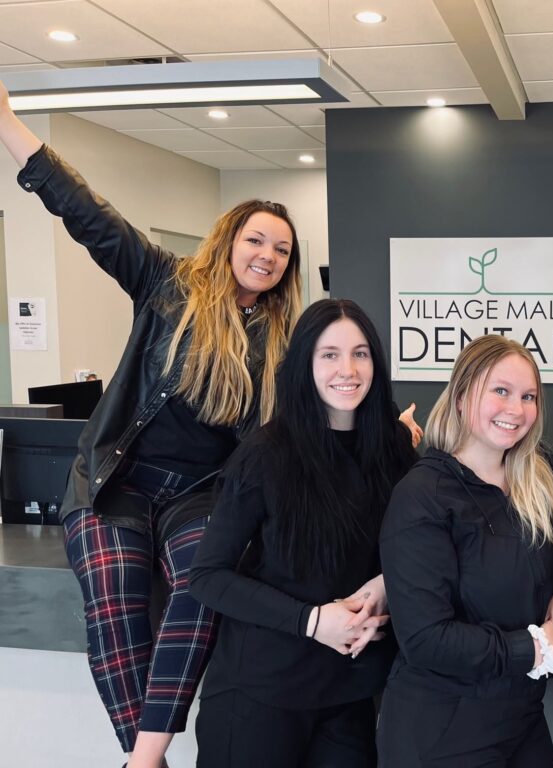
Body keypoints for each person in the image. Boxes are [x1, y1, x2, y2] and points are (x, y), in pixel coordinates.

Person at [0, 81, 423, 768]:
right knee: (113, 611)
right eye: (257, 239)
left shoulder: (284, 341)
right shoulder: (165, 282)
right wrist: (9, 125)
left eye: (282, 250)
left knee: (200, 591)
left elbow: (306, 428)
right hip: (118, 481)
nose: (268, 255)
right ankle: (146, 756)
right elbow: (87, 213)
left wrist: (382, 430)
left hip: (200, 490)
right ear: (229, 239)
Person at [189, 298, 418, 767]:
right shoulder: (266, 453)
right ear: (304, 365)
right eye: (329, 354)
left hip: (348, 694)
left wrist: (385, 586)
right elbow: (207, 576)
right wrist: (313, 621)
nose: (347, 369)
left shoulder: (394, 449)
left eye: (360, 353)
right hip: (260, 694)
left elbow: (420, 550)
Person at [376, 335, 553, 767]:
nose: (516, 409)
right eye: (500, 391)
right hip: (442, 727)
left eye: (528, 396)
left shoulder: (539, 477)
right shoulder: (422, 494)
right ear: (463, 396)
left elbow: (551, 567)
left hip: (521, 714)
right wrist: (535, 648)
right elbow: (426, 639)